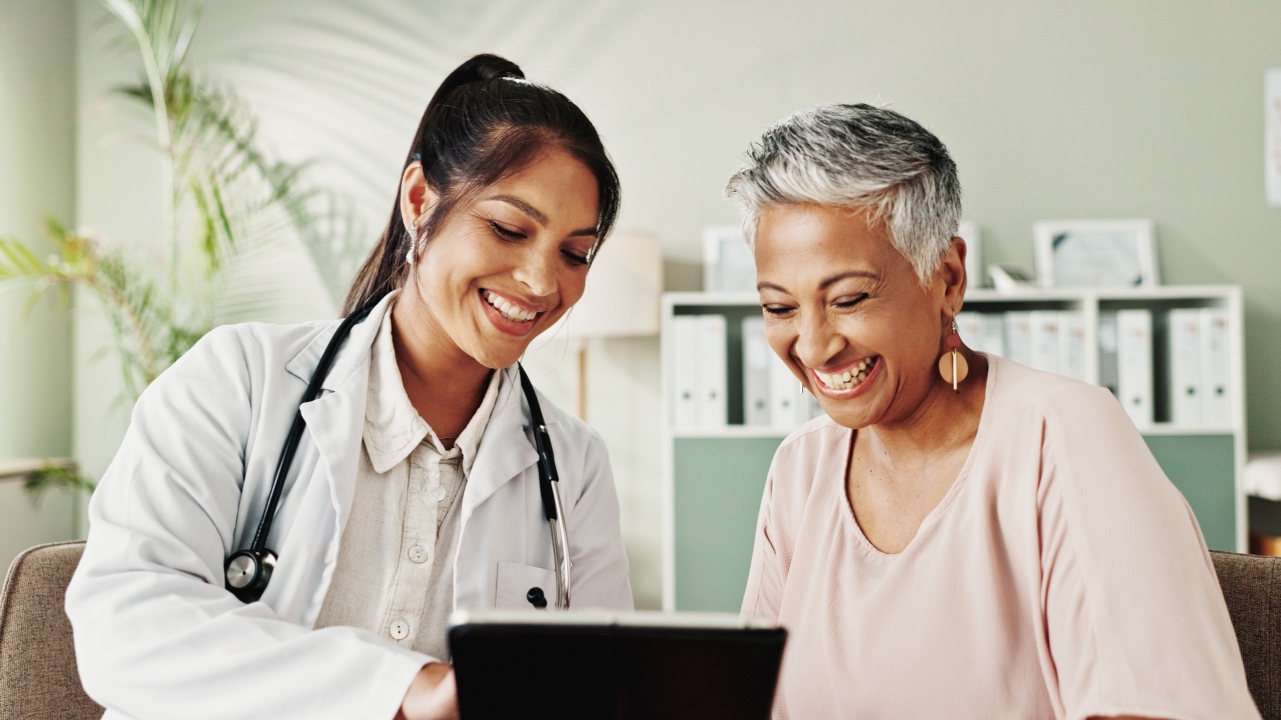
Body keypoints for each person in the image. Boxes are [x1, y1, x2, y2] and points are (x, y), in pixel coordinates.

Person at [66, 54, 632, 720]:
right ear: (419, 200)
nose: (541, 281)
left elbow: (599, 686)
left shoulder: (573, 465)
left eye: (574, 253)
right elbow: (125, 628)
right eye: (509, 229)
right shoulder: (236, 379)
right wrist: (404, 688)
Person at [726, 103, 1260, 719]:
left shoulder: (1063, 435)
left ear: (948, 278)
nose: (815, 346)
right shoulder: (800, 468)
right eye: (780, 308)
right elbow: (745, 697)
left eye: (849, 299)